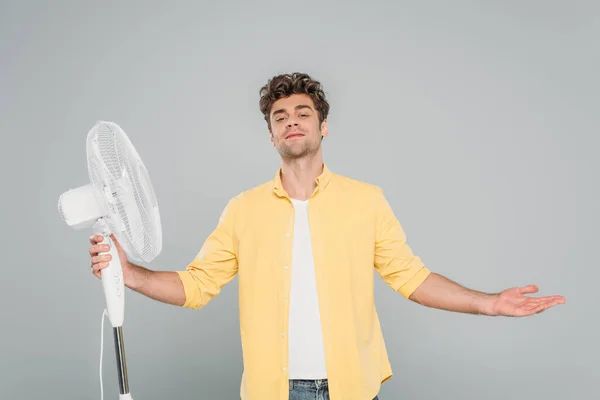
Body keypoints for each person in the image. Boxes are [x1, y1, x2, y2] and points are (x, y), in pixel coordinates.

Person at [88, 72, 566, 400]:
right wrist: (129, 274)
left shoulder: (366, 201)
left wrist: (489, 302)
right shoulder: (243, 210)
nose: (291, 120)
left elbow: (413, 279)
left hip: (353, 389)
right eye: (279, 116)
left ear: (323, 126)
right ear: (270, 135)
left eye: (302, 112)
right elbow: (195, 287)